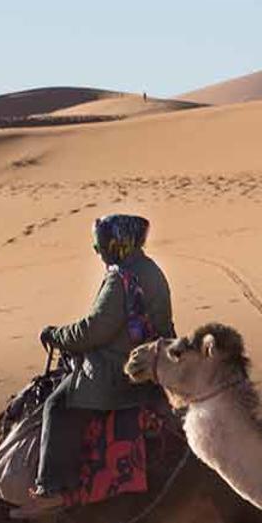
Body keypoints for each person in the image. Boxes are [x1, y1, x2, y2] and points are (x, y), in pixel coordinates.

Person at [34, 214, 176, 501]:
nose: (97, 251)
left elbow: (94, 330)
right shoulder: (152, 270)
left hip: (116, 374)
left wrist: (55, 335)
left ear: (116, 244)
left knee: (56, 406)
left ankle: (52, 489)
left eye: (100, 245)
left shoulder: (121, 279)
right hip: (150, 368)